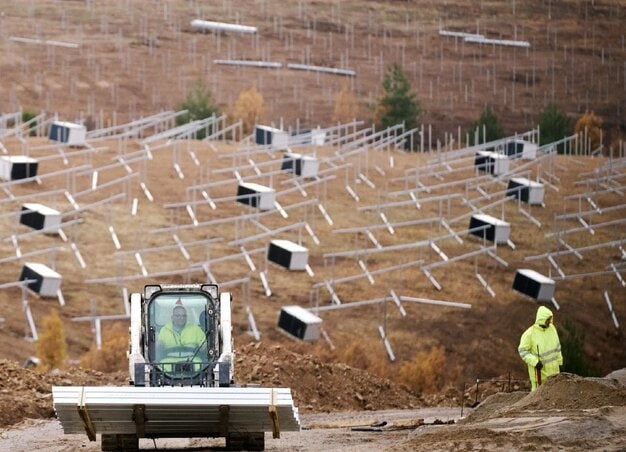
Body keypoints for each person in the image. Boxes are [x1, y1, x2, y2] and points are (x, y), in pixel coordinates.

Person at [518, 305, 563, 391]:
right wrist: (535, 362)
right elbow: (522, 351)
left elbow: (557, 346)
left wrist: (560, 360)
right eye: (548, 319)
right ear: (542, 319)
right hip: (539, 376)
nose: (550, 321)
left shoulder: (552, 329)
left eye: (550, 319)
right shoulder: (529, 334)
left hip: (555, 374)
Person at [156, 299, 206, 367]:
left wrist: (204, 347)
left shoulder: (196, 329)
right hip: (168, 364)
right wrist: (158, 346)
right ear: (172, 317)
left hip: (193, 362)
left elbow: (205, 345)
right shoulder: (164, 330)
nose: (181, 318)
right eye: (178, 316)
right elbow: (158, 349)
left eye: (183, 316)